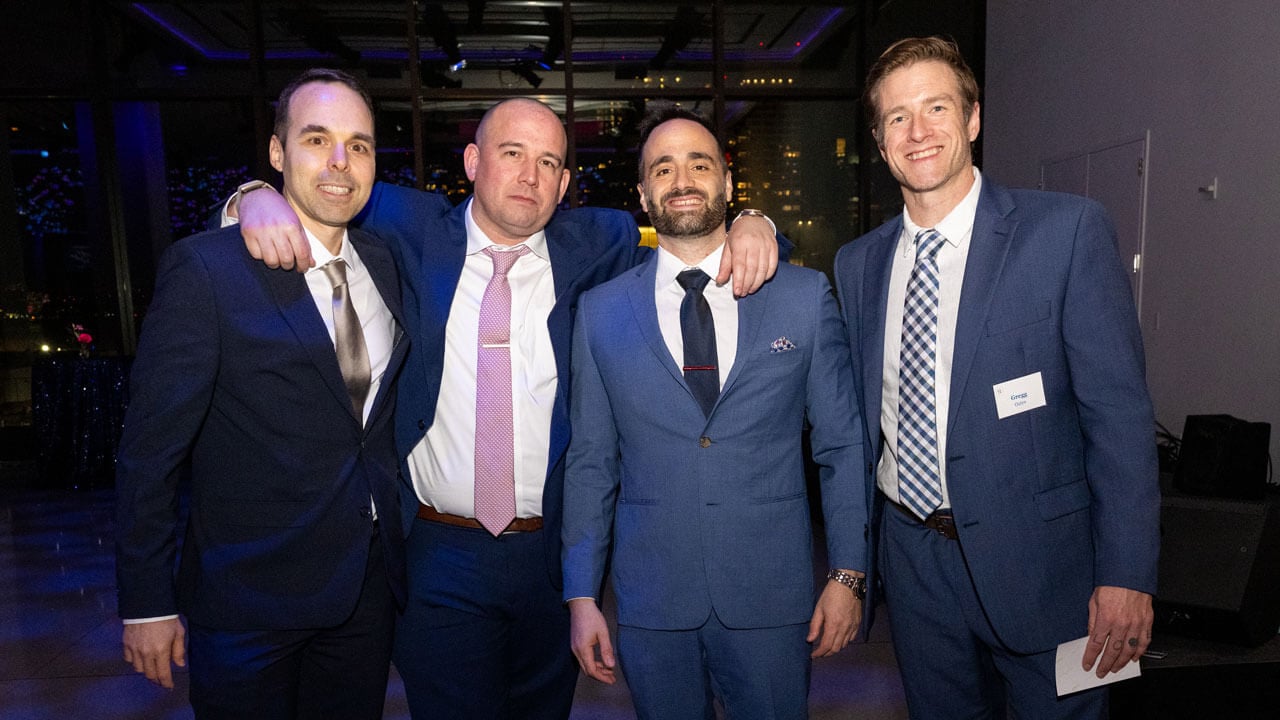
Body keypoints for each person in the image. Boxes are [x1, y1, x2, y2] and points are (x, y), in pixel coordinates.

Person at [229, 97, 783, 719]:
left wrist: (754, 219)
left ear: (565, 182)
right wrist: (252, 194)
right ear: (472, 161)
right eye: (512, 154)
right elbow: (323, 186)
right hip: (437, 551)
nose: (530, 174)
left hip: (549, 557)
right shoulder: (407, 225)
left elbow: (704, 244)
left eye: (549, 161)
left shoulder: (602, 241)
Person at [833, 37, 1160, 718]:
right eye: (897, 117)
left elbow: (1119, 420)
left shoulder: (1065, 233)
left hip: (1050, 569)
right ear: (878, 138)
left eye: (936, 107)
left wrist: (1126, 575)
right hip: (914, 564)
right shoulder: (857, 265)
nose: (917, 132)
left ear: (974, 118)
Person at [114, 68, 407, 719]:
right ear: (277, 153)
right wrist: (147, 601)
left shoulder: (385, 262)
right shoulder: (208, 270)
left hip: (363, 595)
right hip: (248, 602)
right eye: (316, 139)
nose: (340, 162)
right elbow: (149, 451)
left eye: (358, 145)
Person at [562, 104, 868, 720]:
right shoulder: (600, 312)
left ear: (727, 183)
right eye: (664, 167)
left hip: (772, 597)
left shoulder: (803, 298)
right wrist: (580, 595)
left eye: (699, 164)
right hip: (652, 602)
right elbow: (592, 463)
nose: (683, 179)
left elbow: (842, 446)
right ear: (643, 191)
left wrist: (849, 574)